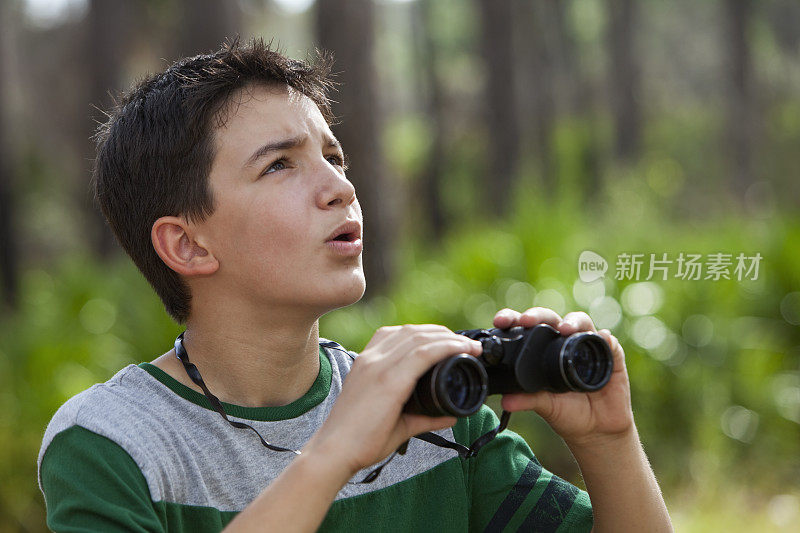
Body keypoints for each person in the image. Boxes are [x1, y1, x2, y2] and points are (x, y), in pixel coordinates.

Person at [37, 39, 672, 532]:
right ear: (188, 244)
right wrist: (333, 453)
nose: (340, 187)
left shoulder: (436, 410)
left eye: (334, 158)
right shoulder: (113, 442)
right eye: (279, 164)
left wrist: (608, 440)